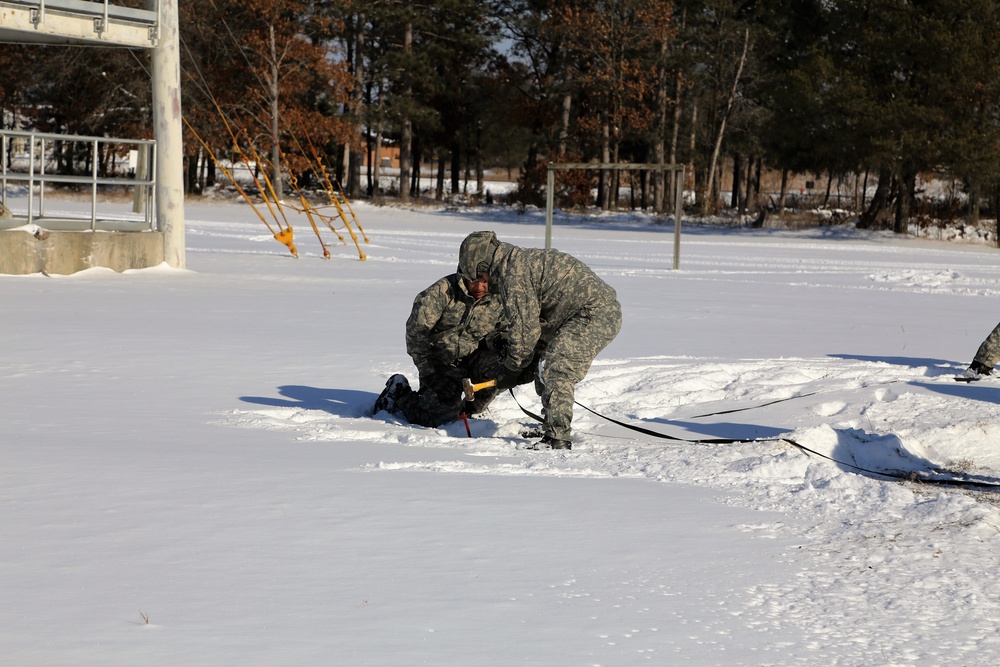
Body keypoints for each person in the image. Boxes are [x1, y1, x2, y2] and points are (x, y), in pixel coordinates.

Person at [457, 230, 622, 449]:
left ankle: (558, 438)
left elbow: (524, 335)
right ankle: (550, 425)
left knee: (556, 367)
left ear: (483, 265)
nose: (481, 283)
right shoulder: (513, 262)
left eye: (479, 276)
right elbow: (527, 331)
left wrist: (510, 370)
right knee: (541, 362)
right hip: (568, 316)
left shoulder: (513, 275)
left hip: (595, 313)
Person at [373, 270, 532, 426]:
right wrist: (429, 374)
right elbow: (416, 335)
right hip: (441, 365)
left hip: (474, 359)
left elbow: (502, 330)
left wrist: (501, 342)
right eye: (474, 281)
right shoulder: (440, 293)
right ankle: (400, 393)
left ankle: (472, 409)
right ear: (464, 275)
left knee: (503, 369)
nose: (480, 287)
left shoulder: (499, 297)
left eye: (485, 281)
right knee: (437, 417)